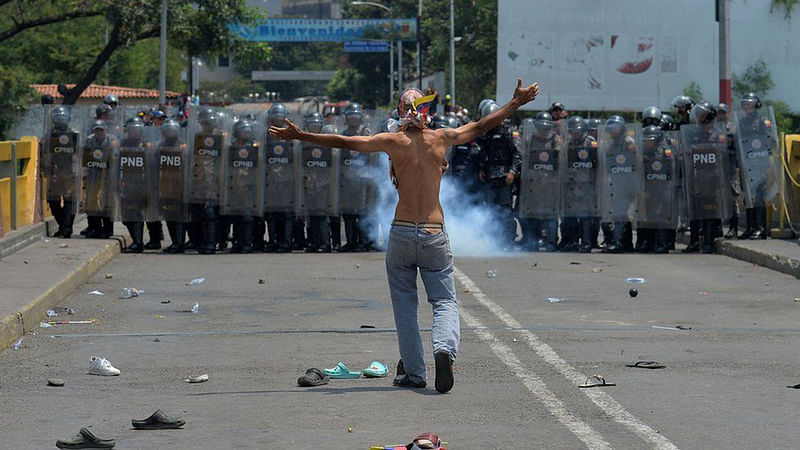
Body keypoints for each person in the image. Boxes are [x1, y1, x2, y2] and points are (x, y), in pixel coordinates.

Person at [269, 79, 539, 393]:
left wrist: (301, 135)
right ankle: (444, 350)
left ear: (401, 111)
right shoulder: (440, 138)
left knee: (405, 307)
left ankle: (414, 372)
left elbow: (343, 141)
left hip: (400, 233)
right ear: (426, 111)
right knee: (444, 302)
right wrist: (515, 102)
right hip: (433, 232)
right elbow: (481, 125)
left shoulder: (392, 141)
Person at [476, 102, 521, 250]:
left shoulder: (508, 130)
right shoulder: (485, 131)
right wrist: (481, 168)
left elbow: (518, 153)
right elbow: (483, 151)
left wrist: (512, 172)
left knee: (505, 211)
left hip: (504, 176)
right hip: (489, 175)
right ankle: (492, 241)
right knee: (490, 210)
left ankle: (508, 242)